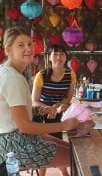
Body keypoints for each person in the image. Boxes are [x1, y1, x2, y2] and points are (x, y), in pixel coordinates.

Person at [0, 27, 78, 176]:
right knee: (78, 157)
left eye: (30, 44)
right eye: (21, 45)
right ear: (8, 50)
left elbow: (14, 110)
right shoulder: (13, 78)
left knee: (72, 150)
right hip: (15, 144)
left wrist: (39, 110)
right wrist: (64, 125)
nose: (28, 48)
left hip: (15, 138)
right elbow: (24, 127)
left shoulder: (7, 71)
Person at [31, 44, 77, 176]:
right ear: (49, 58)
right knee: (43, 149)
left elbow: (68, 98)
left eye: (62, 54)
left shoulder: (70, 75)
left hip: (57, 114)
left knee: (56, 148)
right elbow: (34, 100)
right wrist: (47, 109)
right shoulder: (42, 75)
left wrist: (59, 106)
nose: (58, 57)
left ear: (66, 57)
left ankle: (64, 172)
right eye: (55, 54)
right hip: (41, 114)